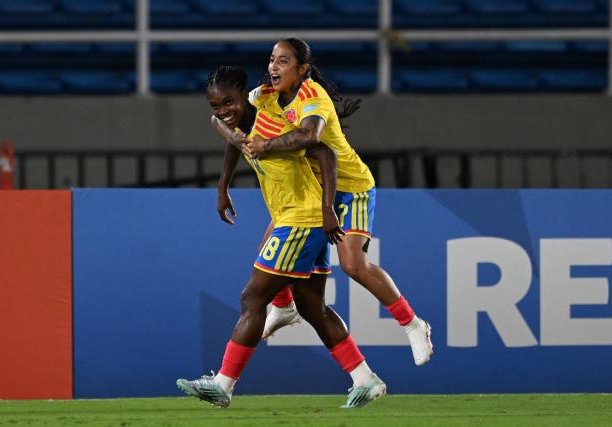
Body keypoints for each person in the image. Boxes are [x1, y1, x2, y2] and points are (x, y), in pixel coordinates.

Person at [176, 66, 386, 409]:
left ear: (245, 95)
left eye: (228, 102)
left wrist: (328, 208)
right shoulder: (241, 123)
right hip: (297, 218)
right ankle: (365, 379)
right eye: (215, 105)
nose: (222, 111)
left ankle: (223, 384)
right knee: (312, 307)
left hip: (301, 221)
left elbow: (324, 153)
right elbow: (233, 139)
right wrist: (223, 186)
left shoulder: (270, 126)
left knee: (252, 298)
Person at [243, 38, 433, 366]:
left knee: (352, 264)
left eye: (284, 61)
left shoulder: (311, 95)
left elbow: (310, 136)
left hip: (351, 187)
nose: (274, 66)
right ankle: (285, 306)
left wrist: (267, 146)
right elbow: (238, 120)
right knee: (265, 250)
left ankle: (413, 324)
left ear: (302, 70)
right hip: (313, 193)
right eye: (273, 59)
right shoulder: (268, 97)